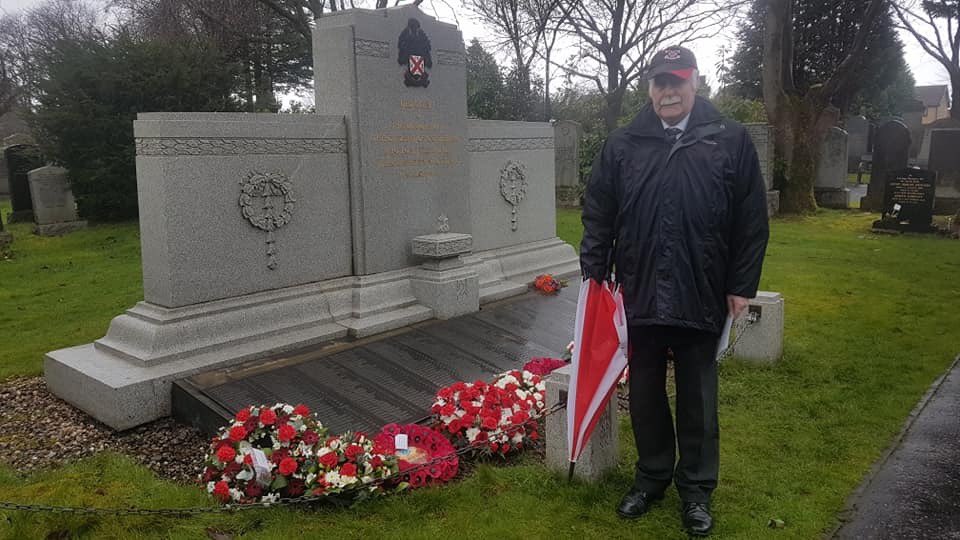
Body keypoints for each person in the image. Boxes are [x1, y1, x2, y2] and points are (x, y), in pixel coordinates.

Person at [579, 45, 769, 536]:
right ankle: (652, 477)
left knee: (697, 398)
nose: (669, 90)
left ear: (695, 83)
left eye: (678, 82)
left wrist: (741, 285)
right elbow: (599, 210)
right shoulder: (623, 143)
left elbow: (750, 220)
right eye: (660, 82)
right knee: (643, 394)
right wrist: (594, 272)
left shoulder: (729, 139)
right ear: (650, 88)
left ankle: (697, 491)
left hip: (701, 289)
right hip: (639, 291)